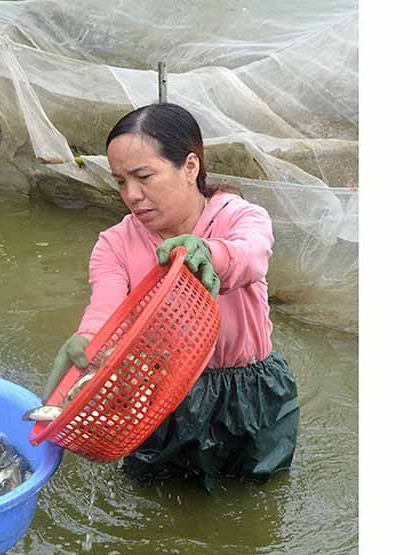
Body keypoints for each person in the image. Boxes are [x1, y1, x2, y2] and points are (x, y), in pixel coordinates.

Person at [42, 103, 299, 493]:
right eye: (120, 181)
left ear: (191, 166)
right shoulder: (115, 244)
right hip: (161, 396)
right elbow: (105, 309)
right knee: (156, 498)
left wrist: (209, 254)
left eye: (144, 176)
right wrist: (89, 343)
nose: (131, 195)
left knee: (254, 497)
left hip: (249, 393)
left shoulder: (238, 217)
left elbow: (252, 255)